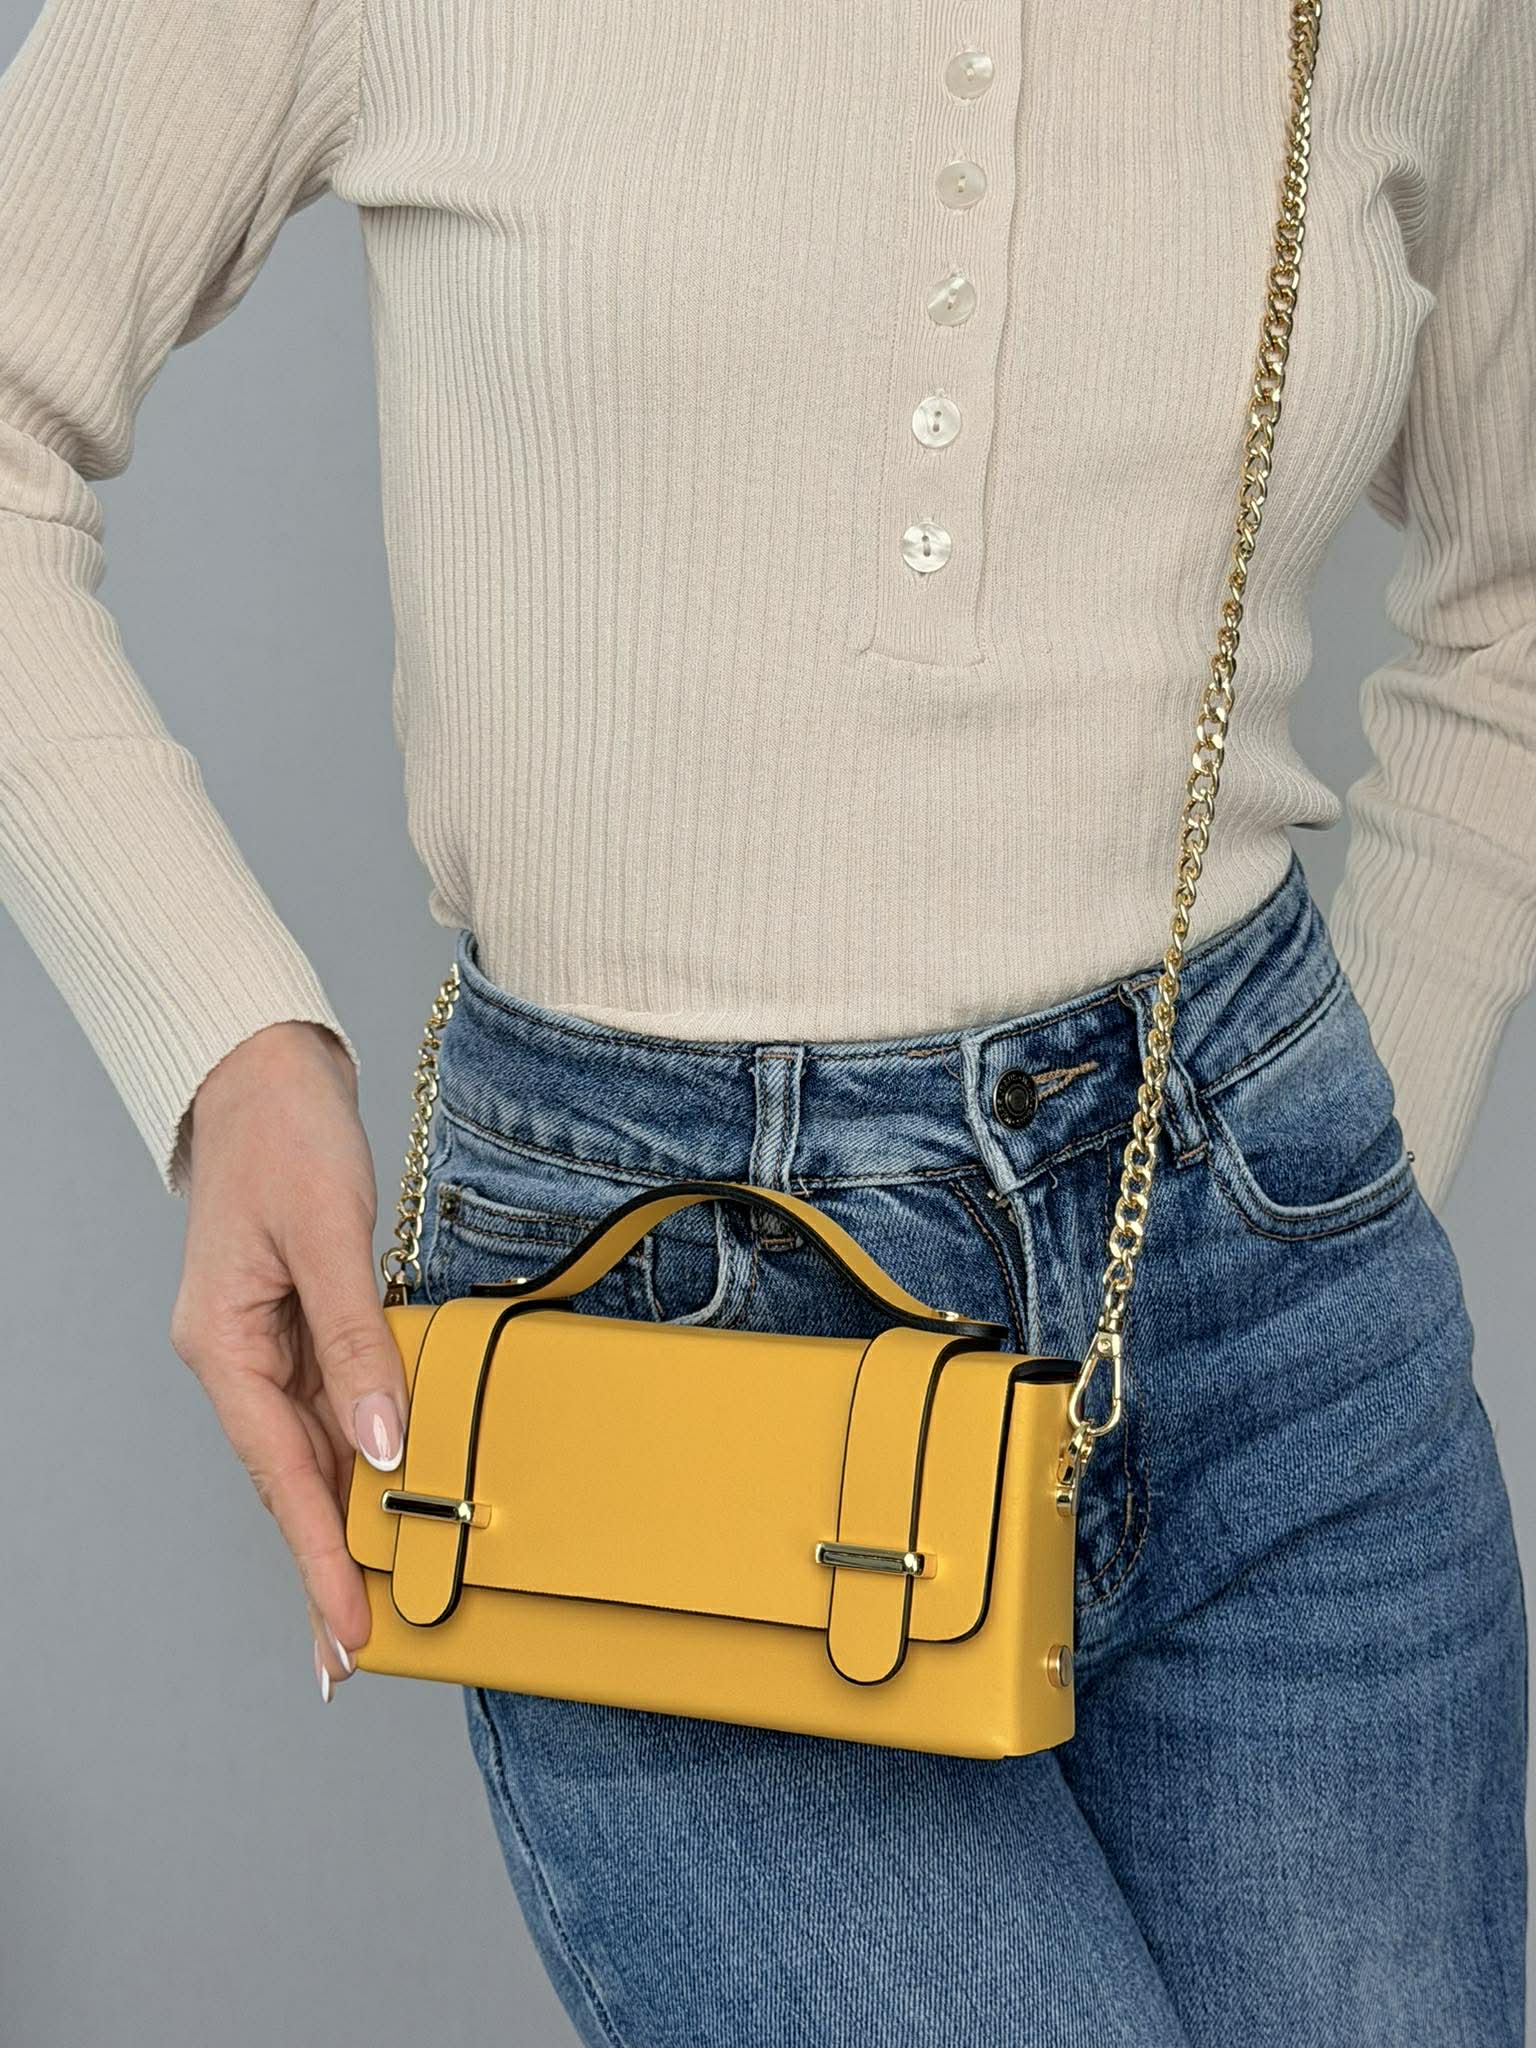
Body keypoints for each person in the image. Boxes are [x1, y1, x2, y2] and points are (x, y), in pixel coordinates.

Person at [0, 0, 1529, 2040]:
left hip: (1283, 1350)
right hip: (662, 1365)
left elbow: (1514, 589)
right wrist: (225, 1042)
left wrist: (1333, 1173)